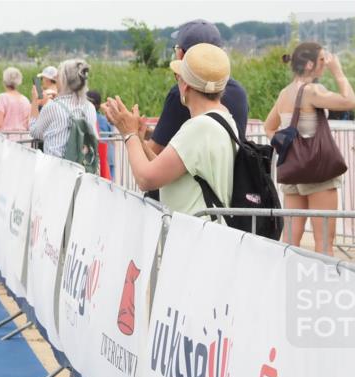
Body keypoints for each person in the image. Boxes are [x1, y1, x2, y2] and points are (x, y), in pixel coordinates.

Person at [103, 44, 237, 219]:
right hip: (207, 234)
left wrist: (129, 134)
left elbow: (146, 179)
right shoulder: (224, 119)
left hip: (193, 236)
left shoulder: (199, 128)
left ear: (186, 86)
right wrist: (140, 141)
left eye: (178, 77)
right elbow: (167, 169)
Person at [264, 43, 354, 253]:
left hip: (293, 171)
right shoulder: (312, 90)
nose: (326, 64)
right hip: (317, 172)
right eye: (323, 60)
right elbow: (349, 101)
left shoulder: (285, 94)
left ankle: (286, 281)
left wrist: (291, 146)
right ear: (309, 64)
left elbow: (269, 128)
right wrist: (338, 72)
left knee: (290, 240)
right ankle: (325, 284)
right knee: (324, 243)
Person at [147, 20, 248, 158]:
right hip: (232, 178)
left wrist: (131, 135)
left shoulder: (183, 93)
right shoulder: (239, 92)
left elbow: (153, 157)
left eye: (176, 49)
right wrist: (147, 132)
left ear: (182, 55)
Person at [29, 59, 96, 159]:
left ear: (64, 80)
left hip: (57, 167)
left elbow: (35, 132)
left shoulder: (53, 107)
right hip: (82, 168)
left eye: (58, 77)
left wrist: (34, 101)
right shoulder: (90, 107)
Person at [0, 67, 31, 138]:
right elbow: (28, 123)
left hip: (6, 140)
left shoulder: (2, 97)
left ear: (4, 81)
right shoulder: (25, 100)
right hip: (22, 139)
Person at [88, 90, 116, 180]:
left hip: (95, 155)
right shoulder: (105, 119)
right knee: (110, 182)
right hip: (108, 155)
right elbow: (112, 135)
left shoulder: (87, 118)